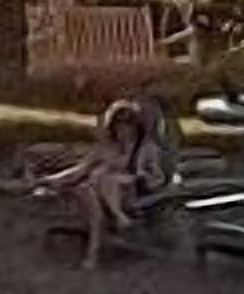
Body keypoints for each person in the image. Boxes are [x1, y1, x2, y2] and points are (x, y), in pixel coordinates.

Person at [54, 97, 166, 269]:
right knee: (89, 189)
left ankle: (96, 248)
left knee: (102, 179)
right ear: (112, 127)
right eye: (119, 125)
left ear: (137, 127)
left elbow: (158, 178)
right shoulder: (106, 148)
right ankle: (99, 246)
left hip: (128, 194)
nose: (124, 130)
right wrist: (52, 179)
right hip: (97, 194)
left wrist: (142, 175)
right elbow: (80, 169)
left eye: (129, 125)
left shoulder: (148, 149)